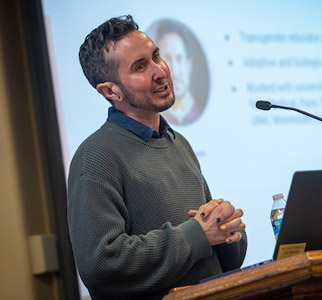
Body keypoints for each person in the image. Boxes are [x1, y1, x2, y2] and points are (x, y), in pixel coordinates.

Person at [68, 15, 247, 300]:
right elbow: (101, 265)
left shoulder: (178, 143)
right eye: (140, 67)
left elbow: (216, 260)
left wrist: (226, 231)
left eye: (156, 57)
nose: (160, 71)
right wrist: (197, 235)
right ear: (109, 90)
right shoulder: (96, 156)